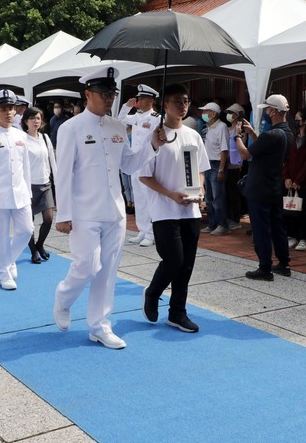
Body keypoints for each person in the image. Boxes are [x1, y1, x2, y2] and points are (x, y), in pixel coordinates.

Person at [53, 66, 166, 350]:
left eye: (112, 94)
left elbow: (127, 164)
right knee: (87, 267)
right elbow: (63, 173)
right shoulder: (71, 128)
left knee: (108, 271)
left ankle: (100, 326)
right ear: (87, 94)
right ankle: (64, 298)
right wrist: (63, 214)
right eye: (103, 94)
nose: (108, 99)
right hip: (83, 211)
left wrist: (152, 144)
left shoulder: (117, 126)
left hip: (113, 212)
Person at [141, 84, 210, 333]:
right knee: (174, 260)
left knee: (187, 265)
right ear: (165, 105)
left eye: (185, 101)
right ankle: (153, 292)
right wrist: (171, 195)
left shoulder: (193, 135)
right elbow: (144, 176)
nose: (182, 106)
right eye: (177, 101)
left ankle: (177, 313)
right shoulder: (155, 136)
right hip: (164, 209)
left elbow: (200, 169)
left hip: (190, 211)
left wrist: (199, 191)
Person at [234, 94, 294, 281]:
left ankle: (264, 268)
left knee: (261, 229)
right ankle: (283, 264)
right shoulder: (286, 133)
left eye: (268, 109)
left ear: (274, 111)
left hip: (259, 187)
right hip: (274, 186)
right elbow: (265, 146)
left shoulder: (271, 134)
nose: (267, 112)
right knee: (277, 227)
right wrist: (252, 132)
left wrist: (237, 136)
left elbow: (245, 154)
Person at [0, 89, 33, 290]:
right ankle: (3, 273)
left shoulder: (21, 135)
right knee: (0, 235)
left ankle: (9, 260)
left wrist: (29, 192)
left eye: (11, 108)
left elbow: (25, 166)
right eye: (3, 109)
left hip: (20, 193)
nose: (9, 112)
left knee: (26, 230)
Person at [117, 84, 161, 247]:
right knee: (139, 198)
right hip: (135, 162)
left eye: (142, 99)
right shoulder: (136, 116)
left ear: (150, 100)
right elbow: (119, 121)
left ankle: (151, 233)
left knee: (149, 198)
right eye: (138, 98)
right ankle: (142, 230)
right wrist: (126, 106)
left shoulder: (157, 117)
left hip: (149, 161)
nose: (139, 101)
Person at [282, 108, 306, 251]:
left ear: (305, 121)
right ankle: (292, 235)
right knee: (292, 209)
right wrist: (286, 176)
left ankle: (305, 238)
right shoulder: (295, 137)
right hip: (292, 180)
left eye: (298, 119)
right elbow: (287, 159)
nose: (296, 122)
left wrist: (299, 180)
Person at [22, 106, 58, 264]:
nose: (36, 121)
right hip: (28, 185)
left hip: (45, 184)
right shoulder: (22, 139)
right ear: (25, 121)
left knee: (49, 218)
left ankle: (40, 244)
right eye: (32, 118)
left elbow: (52, 161)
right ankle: (33, 251)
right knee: (28, 223)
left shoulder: (45, 138)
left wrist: (58, 182)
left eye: (38, 118)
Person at [199, 102, 230, 235]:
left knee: (218, 197)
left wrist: (221, 169)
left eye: (206, 111)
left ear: (213, 113)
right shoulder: (208, 128)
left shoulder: (222, 127)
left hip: (217, 164)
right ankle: (212, 223)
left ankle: (222, 224)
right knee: (209, 197)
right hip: (207, 164)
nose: (204, 114)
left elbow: (224, 150)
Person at [224, 103, 246, 229]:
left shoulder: (240, 129)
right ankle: (228, 216)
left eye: (232, 113)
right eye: (228, 112)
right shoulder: (227, 129)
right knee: (226, 192)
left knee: (233, 193)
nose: (229, 115)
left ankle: (235, 219)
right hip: (226, 164)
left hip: (235, 165)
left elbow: (240, 146)